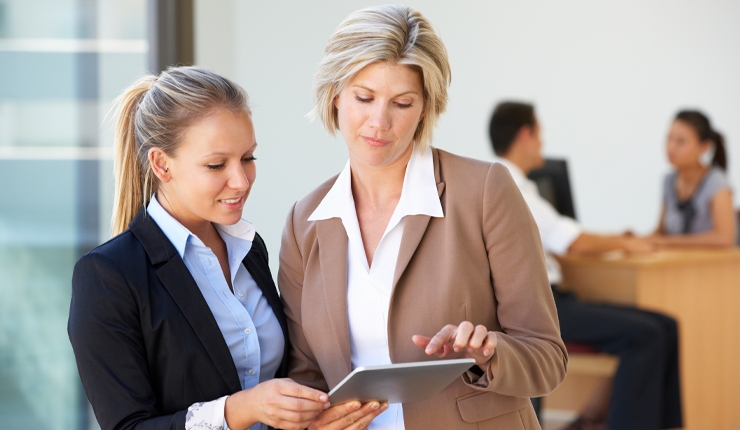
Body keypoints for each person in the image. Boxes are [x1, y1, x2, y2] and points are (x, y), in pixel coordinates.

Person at [278, 6, 568, 430]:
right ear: (334, 94)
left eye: (402, 103)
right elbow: (305, 375)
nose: (379, 122)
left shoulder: (484, 191)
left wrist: (487, 354)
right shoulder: (305, 221)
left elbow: (547, 357)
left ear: (425, 108)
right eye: (364, 97)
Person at [67, 66, 330, 430]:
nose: (241, 180)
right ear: (161, 164)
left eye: (248, 158)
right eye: (216, 164)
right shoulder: (108, 276)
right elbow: (128, 426)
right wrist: (240, 410)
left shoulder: (250, 250)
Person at [489, 101, 683, 430]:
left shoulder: (511, 182)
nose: (543, 144)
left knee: (665, 325)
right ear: (526, 135)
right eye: (540, 135)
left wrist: (616, 239)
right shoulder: (507, 183)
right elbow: (572, 240)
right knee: (646, 336)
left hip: (551, 298)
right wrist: (626, 243)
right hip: (540, 306)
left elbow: (562, 235)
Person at [650, 110, 735, 247]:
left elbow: (725, 239)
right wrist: (637, 240)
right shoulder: (668, 180)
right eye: (669, 138)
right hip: (674, 264)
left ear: (704, 146)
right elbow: (661, 232)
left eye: (681, 142)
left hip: (707, 266)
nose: (671, 147)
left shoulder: (716, 182)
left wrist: (667, 242)